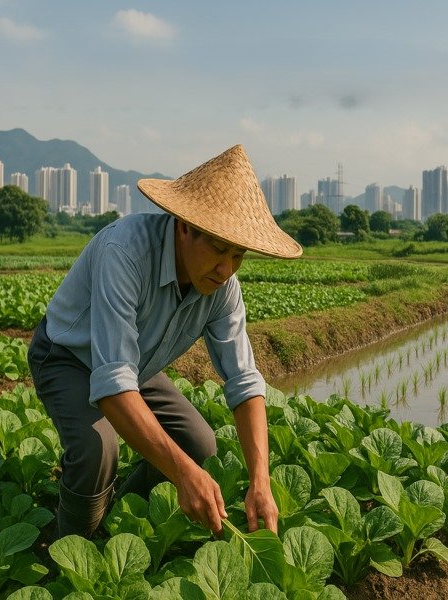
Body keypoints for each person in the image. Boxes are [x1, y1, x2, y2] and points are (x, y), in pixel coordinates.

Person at [27, 144, 303, 540]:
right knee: (97, 449)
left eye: (239, 254)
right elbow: (113, 384)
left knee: (198, 444)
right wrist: (183, 474)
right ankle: (73, 548)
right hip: (68, 354)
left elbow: (244, 380)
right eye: (218, 248)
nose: (226, 268)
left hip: (135, 363)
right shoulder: (124, 252)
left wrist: (262, 480)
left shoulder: (223, 286)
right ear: (184, 226)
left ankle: (116, 521)